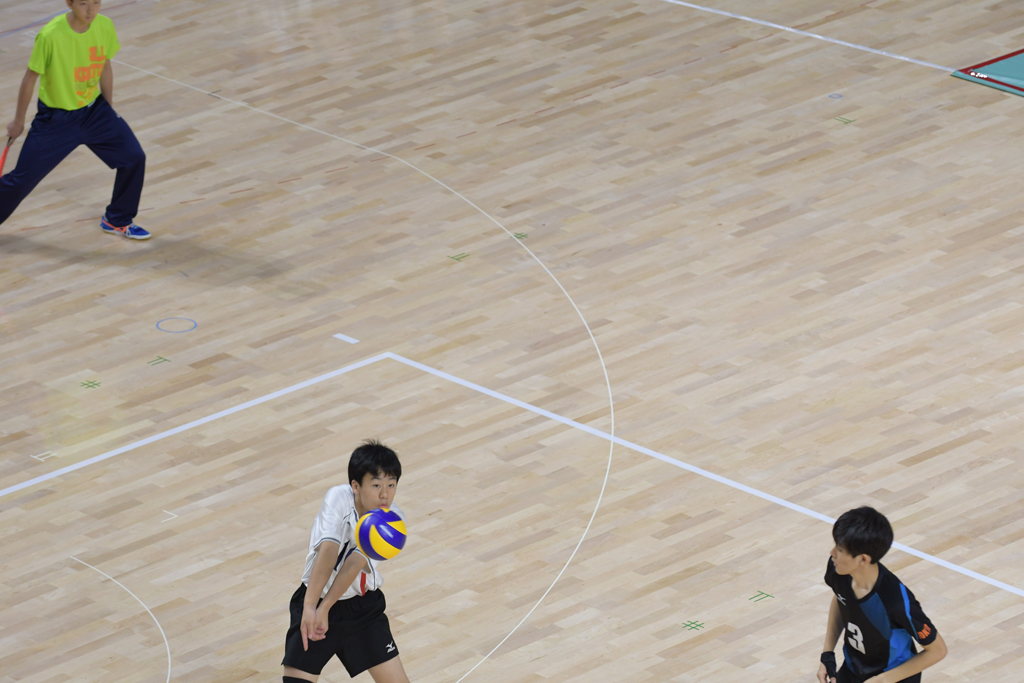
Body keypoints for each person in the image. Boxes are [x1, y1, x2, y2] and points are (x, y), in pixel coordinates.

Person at [2, 0, 150, 239]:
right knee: (21, 180)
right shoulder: (50, 35)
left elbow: (105, 66)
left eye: (96, 2)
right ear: (69, 3)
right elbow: (30, 79)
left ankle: (117, 220)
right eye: (83, 3)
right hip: (56, 120)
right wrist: (18, 121)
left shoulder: (104, 25)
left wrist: (108, 109)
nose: (91, 10)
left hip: (95, 111)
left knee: (134, 158)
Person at [282, 440, 412, 683]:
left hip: (362, 611)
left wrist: (325, 608)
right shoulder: (338, 497)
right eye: (376, 485)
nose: (385, 494)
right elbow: (328, 552)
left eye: (391, 485)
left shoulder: (393, 521)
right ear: (356, 486)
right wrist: (311, 607)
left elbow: (354, 564)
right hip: (314, 596)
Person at [818, 507, 947, 683]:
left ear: (863, 559)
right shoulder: (839, 570)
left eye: (840, 549)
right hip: (854, 669)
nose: (832, 553)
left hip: (893, 677)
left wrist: (882, 680)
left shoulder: (896, 602)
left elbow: (938, 650)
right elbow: (841, 598)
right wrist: (827, 653)